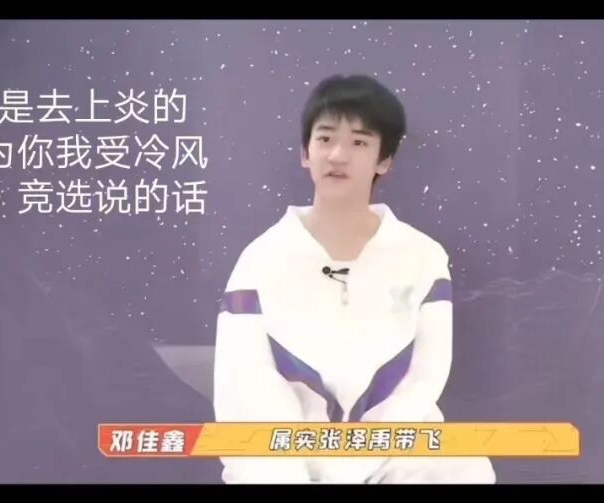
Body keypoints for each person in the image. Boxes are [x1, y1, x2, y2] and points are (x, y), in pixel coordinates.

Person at [212, 74, 496, 484]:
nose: (337, 155)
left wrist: (365, 456)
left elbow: (424, 376)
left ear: (384, 160)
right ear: (305, 153)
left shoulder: (423, 257)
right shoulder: (260, 260)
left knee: (466, 469)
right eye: (325, 139)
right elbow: (246, 386)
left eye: (359, 143)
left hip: (396, 452)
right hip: (287, 454)